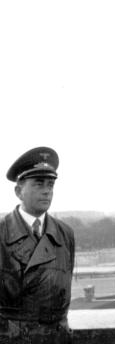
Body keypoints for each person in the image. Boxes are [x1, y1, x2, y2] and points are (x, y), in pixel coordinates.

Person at [0, 147, 74, 343]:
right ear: (18, 191)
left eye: (50, 184)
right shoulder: (1, 232)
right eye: (38, 184)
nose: (47, 191)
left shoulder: (65, 234)